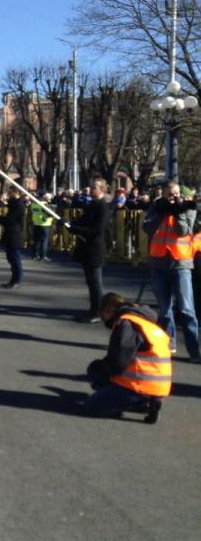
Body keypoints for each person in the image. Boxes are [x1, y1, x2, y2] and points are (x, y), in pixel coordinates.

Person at [84, 292, 170, 423]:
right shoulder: (146, 322)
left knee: (92, 404)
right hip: (159, 385)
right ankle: (147, 401)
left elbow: (118, 362)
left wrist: (102, 369)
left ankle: (134, 404)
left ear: (109, 311)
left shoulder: (126, 324)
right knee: (98, 370)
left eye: (104, 316)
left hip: (138, 385)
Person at [143, 181, 199, 361]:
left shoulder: (188, 208)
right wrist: (162, 211)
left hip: (181, 264)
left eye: (175, 194)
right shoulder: (157, 207)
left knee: (186, 309)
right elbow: (148, 228)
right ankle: (169, 344)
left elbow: (183, 231)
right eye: (169, 194)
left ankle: (194, 350)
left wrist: (179, 211)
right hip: (158, 263)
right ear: (163, 194)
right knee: (165, 309)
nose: (173, 197)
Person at [68, 177, 111, 323]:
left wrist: (76, 228)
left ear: (102, 190)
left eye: (94, 187)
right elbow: (83, 221)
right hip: (86, 247)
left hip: (95, 248)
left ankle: (98, 311)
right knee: (91, 282)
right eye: (91, 187)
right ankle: (93, 309)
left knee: (95, 282)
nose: (90, 189)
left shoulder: (103, 207)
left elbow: (97, 229)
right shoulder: (91, 205)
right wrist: (70, 225)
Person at [0, 186, 25, 289]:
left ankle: (17, 280)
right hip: (11, 234)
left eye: (10, 193)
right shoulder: (13, 204)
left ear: (15, 193)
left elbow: (9, 220)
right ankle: (13, 280)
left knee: (15, 259)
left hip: (15, 235)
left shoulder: (18, 205)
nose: (8, 195)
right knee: (11, 258)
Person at [30, 192, 55, 261]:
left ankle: (35, 255)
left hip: (36, 223)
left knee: (36, 240)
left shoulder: (34, 204)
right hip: (44, 224)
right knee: (44, 241)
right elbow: (51, 214)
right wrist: (52, 208)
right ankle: (43, 256)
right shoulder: (44, 204)